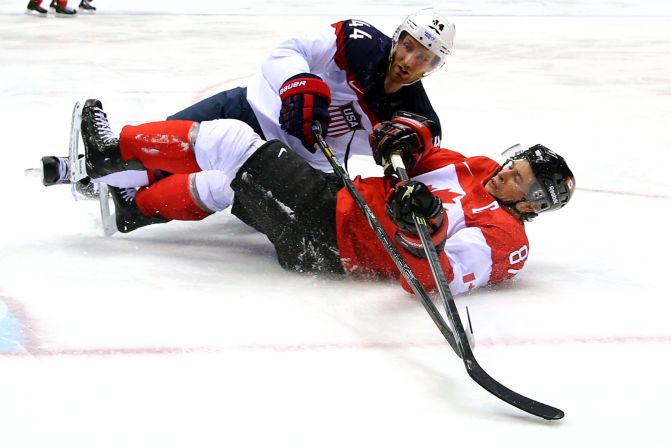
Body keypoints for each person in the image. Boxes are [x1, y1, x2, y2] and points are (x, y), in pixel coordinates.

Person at [41, 99, 576, 296]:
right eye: (514, 163)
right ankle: (132, 210)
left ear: (533, 203)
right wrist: (405, 137)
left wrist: (424, 225)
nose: (505, 172)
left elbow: (430, 279)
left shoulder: (503, 239)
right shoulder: (480, 170)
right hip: (335, 202)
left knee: (234, 142)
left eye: (519, 177)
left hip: (330, 237)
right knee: (234, 180)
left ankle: (109, 153)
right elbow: (418, 158)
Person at [167, 8, 455, 173]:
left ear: (433, 65)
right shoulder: (358, 42)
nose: (408, 61)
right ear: (397, 38)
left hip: (302, 167)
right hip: (254, 111)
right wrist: (297, 85)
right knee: (167, 136)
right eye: (408, 47)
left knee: (217, 187)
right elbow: (288, 51)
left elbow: (418, 176)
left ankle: (147, 208)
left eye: (423, 57)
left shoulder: (417, 118)